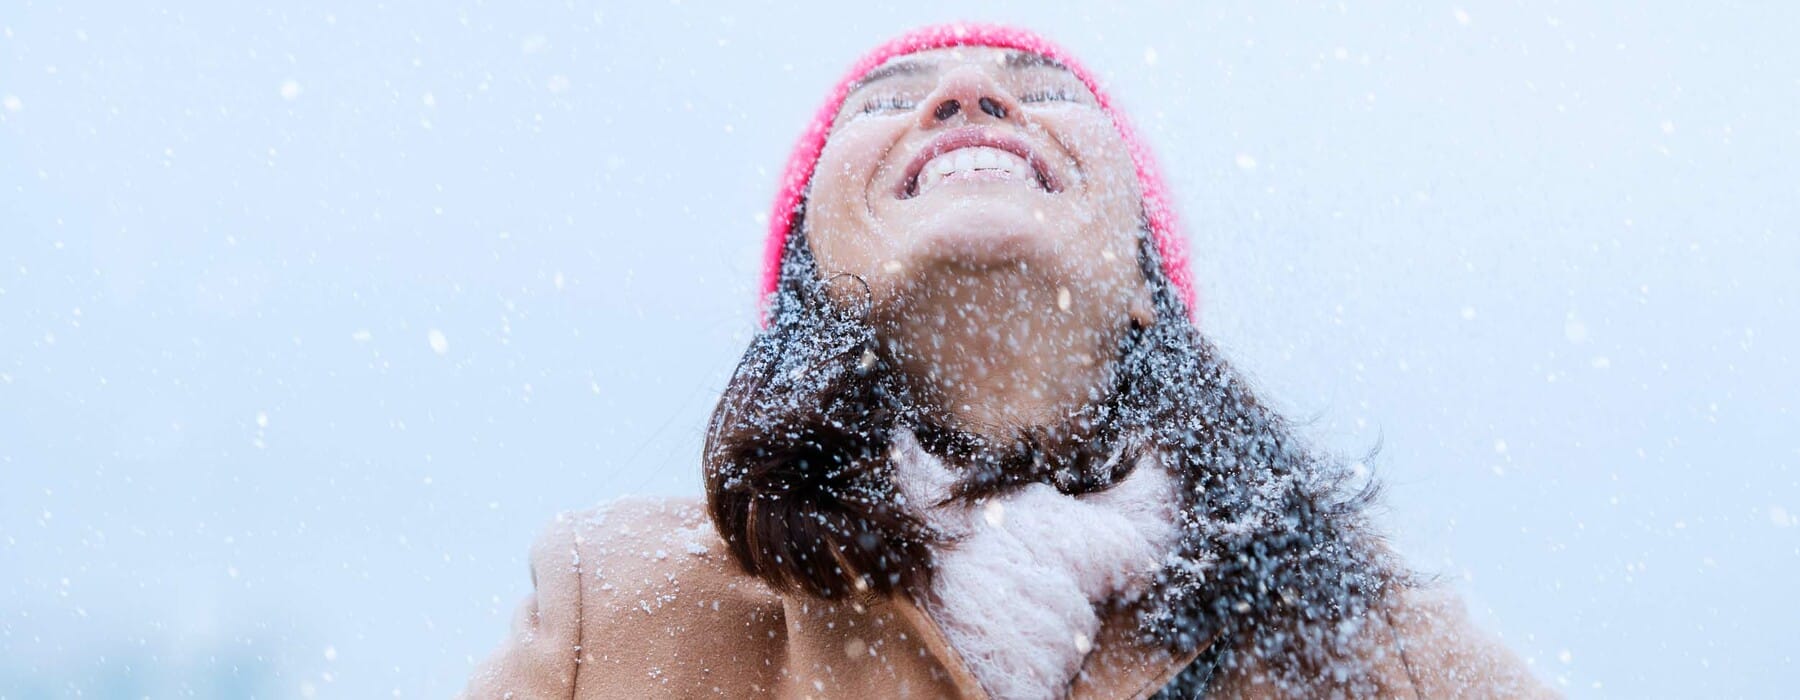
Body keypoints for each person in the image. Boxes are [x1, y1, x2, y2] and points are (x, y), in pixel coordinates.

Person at [463, 24, 1554, 699]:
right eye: (889, 102)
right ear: (814, 284)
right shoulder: (615, 612)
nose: (971, 93)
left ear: (1143, 289)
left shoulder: (1370, 643)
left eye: (1044, 88)